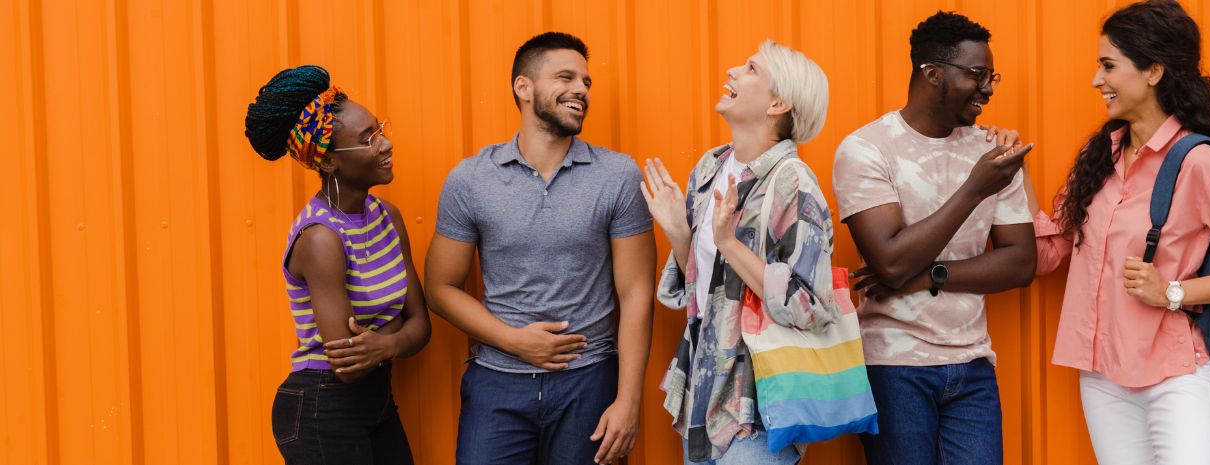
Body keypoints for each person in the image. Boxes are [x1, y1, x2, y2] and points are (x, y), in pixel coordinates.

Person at [1031, 2, 1210, 463]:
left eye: (1108, 65)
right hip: (1103, 376)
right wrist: (1010, 178)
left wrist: (1172, 292)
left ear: (1153, 71)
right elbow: (1051, 251)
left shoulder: (1199, 162)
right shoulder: (1100, 159)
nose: (1097, 80)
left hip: (1177, 374)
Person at [423, 32, 656, 465]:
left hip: (589, 383)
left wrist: (627, 401)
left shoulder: (617, 176)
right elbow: (440, 287)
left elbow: (636, 293)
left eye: (586, 82)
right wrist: (514, 341)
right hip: (496, 384)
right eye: (565, 77)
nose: (581, 90)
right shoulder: (471, 179)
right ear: (523, 87)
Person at [831, 11, 1036, 465]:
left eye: (992, 76)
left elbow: (1021, 262)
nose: (988, 88)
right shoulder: (866, 150)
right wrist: (974, 189)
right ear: (932, 74)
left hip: (974, 366)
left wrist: (932, 275)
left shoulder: (994, 152)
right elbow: (889, 263)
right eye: (977, 75)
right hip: (893, 366)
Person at [639, 40, 834, 465]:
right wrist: (677, 231)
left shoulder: (794, 184)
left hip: (760, 403)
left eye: (749, 69)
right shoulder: (710, 168)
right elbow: (698, 292)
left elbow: (809, 304)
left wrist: (727, 242)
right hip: (705, 394)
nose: (731, 71)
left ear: (778, 102)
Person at [244, 64, 432, 465]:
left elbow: (422, 326)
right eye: (368, 139)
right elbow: (347, 364)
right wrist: (396, 335)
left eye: (380, 129)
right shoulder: (321, 239)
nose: (385, 144)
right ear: (329, 163)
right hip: (321, 408)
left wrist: (385, 342)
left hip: (377, 401)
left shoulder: (388, 217)